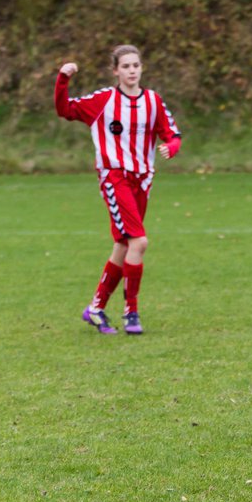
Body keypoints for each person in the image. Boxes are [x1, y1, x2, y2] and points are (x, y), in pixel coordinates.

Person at [55, 45, 181, 336]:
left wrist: (172, 147)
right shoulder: (103, 100)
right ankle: (131, 312)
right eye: (125, 66)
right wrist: (63, 79)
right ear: (116, 71)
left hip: (143, 180)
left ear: (142, 68)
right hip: (115, 178)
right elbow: (65, 110)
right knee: (139, 243)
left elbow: (172, 133)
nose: (132, 70)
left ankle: (96, 309)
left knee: (123, 245)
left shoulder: (153, 101)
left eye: (136, 65)